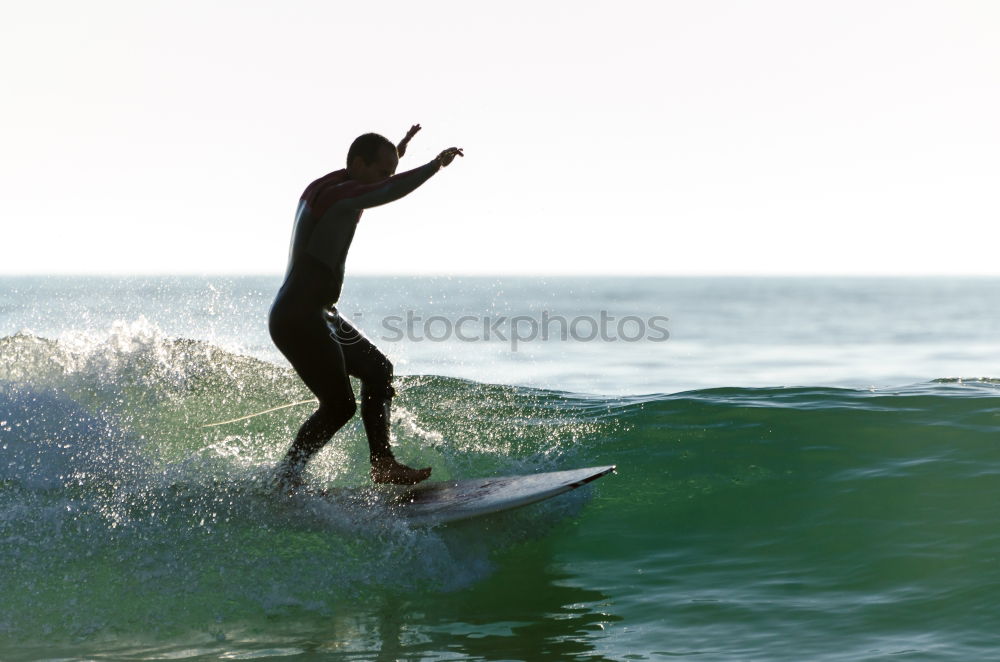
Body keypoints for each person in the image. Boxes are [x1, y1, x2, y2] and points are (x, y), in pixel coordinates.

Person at [269, 124, 463, 488]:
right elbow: (388, 189)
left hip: (319, 312)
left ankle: (383, 464)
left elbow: (375, 180)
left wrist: (398, 152)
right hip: (299, 315)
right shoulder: (343, 198)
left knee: (378, 370)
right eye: (381, 170)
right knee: (339, 406)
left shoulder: (331, 184)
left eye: (389, 170)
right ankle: (285, 480)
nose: (385, 178)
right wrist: (435, 165)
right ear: (357, 163)